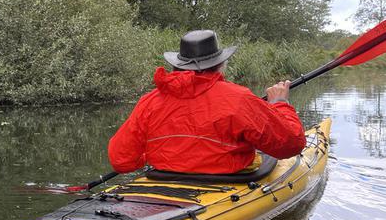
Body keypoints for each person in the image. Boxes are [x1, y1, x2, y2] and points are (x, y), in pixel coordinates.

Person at [108, 29, 307, 174]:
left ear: (178, 65)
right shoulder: (239, 98)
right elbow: (291, 145)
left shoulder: (149, 101)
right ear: (220, 64)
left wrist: (159, 155)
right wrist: (280, 103)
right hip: (227, 183)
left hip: (165, 181)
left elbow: (121, 161)